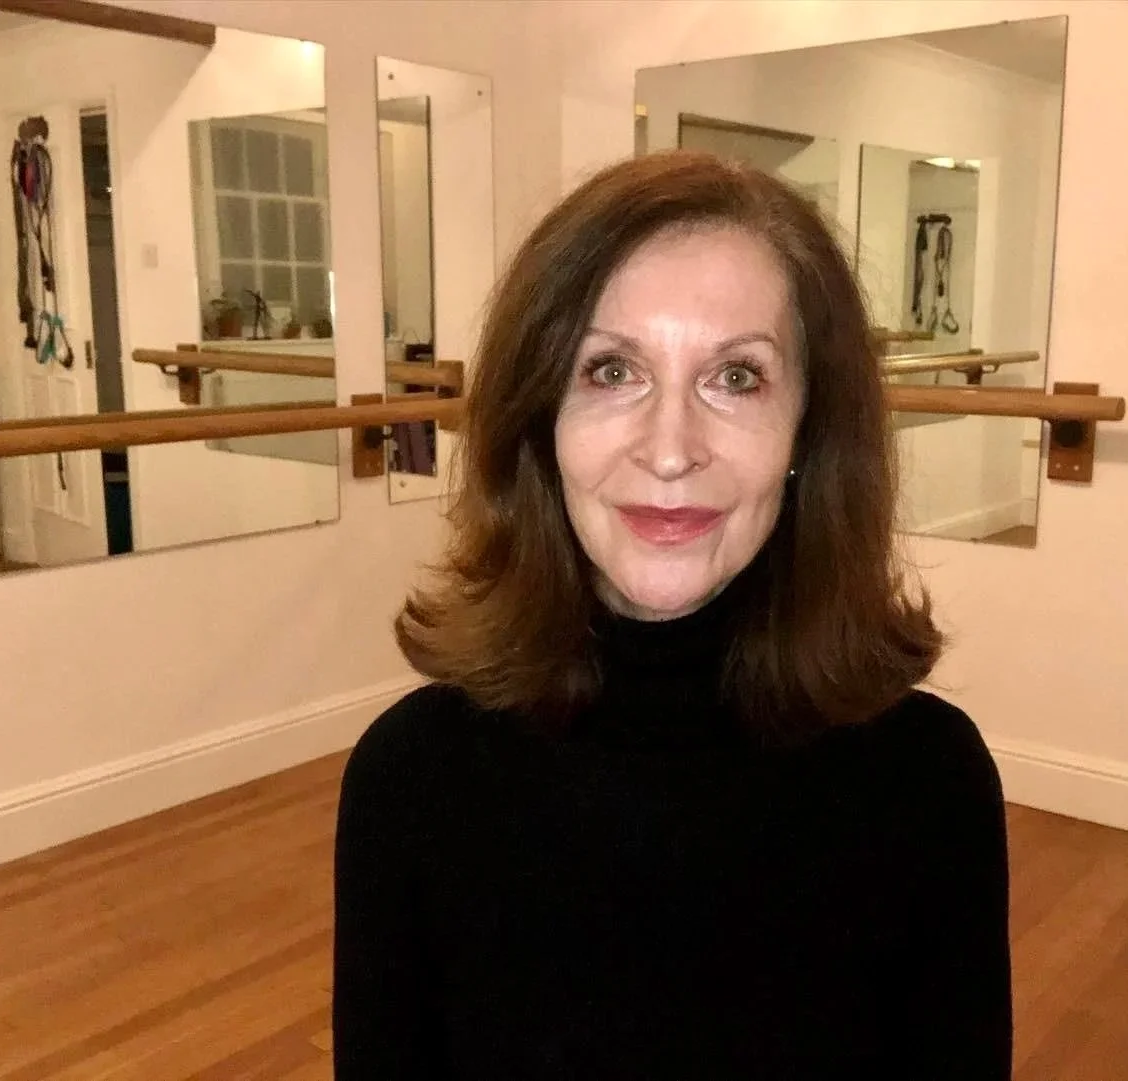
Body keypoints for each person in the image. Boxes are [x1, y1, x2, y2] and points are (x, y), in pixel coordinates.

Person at [333, 149, 1012, 1079]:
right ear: (540, 419)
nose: (669, 449)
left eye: (736, 377)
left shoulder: (929, 782)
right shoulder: (411, 780)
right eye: (613, 370)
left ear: (808, 429)